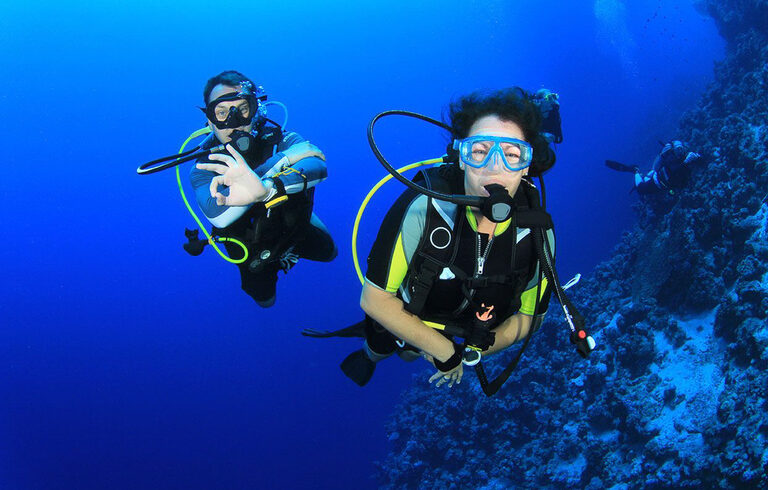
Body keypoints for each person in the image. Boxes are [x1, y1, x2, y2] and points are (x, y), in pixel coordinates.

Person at [305, 88, 573, 390]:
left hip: (476, 328)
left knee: (414, 349)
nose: (494, 165)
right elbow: (374, 298)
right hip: (409, 310)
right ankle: (371, 355)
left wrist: (471, 352)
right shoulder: (425, 208)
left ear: (526, 165)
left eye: (512, 155)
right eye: (480, 151)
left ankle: (412, 345)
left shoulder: (537, 232)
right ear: (461, 158)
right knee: (390, 347)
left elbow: (530, 317)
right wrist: (444, 351)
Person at [191, 70, 337, 307]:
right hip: (251, 252)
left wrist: (270, 188)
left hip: (295, 230)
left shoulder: (282, 140)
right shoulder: (204, 166)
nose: (233, 121)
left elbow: (318, 165)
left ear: (256, 108)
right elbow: (216, 215)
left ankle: (301, 234)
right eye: (221, 113)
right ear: (209, 120)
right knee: (265, 300)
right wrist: (275, 167)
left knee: (330, 253)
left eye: (242, 109)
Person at [605, 140, 702, 195]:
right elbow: (674, 173)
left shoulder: (684, 157)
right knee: (641, 189)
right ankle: (635, 170)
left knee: (649, 177)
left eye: (681, 149)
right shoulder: (673, 161)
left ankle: (645, 174)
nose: (680, 152)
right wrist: (686, 162)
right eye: (678, 150)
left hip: (663, 181)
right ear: (673, 151)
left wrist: (697, 157)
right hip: (657, 181)